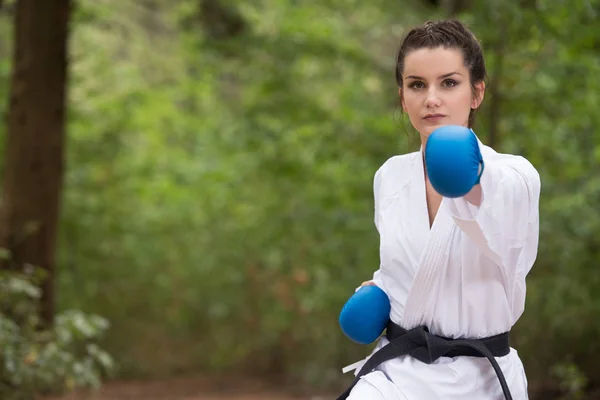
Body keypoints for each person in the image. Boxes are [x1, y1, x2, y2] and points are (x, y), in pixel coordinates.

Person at [338, 19, 541, 400]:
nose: (431, 98)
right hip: (396, 376)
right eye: (417, 85)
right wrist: (381, 289)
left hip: (481, 380)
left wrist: (469, 175)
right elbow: (405, 265)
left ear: (476, 93)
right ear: (403, 98)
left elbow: (497, 217)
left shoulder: (514, 175)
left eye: (449, 83)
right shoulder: (390, 176)